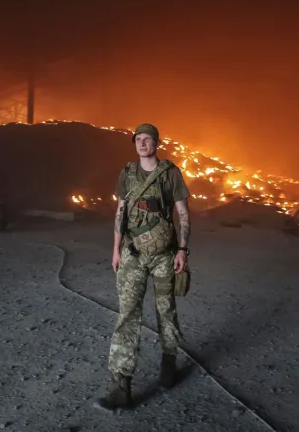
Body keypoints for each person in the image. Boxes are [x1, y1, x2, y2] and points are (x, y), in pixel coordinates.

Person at [96, 123, 191, 410]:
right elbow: (119, 213)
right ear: (134, 144)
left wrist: (183, 251)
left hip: (164, 255)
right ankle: (121, 386)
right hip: (132, 254)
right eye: (138, 139)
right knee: (127, 316)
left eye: (147, 139)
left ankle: (169, 364)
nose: (142, 143)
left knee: (166, 311)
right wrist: (115, 250)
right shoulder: (126, 174)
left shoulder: (170, 173)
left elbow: (184, 214)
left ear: (156, 143)